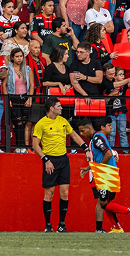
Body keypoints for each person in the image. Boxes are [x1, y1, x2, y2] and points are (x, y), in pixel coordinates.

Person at [32, 96, 86, 232]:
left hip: (63, 160)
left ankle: (61, 225)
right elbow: (35, 145)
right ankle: (48, 225)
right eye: (59, 106)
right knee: (49, 193)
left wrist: (86, 148)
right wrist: (46, 160)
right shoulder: (41, 124)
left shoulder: (63, 121)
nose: (61, 108)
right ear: (51, 108)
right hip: (50, 160)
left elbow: (73, 135)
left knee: (65, 193)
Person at [80, 117, 130, 233]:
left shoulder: (97, 138)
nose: (81, 134)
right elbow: (104, 155)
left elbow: (108, 153)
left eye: (83, 131)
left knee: (103, 203)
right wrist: (88, 168)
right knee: (104, 202)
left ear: (89, 128)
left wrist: (98, 169)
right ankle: (116, 227)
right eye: (110, 125)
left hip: (106, 174)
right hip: (107, 173)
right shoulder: (97, 138)